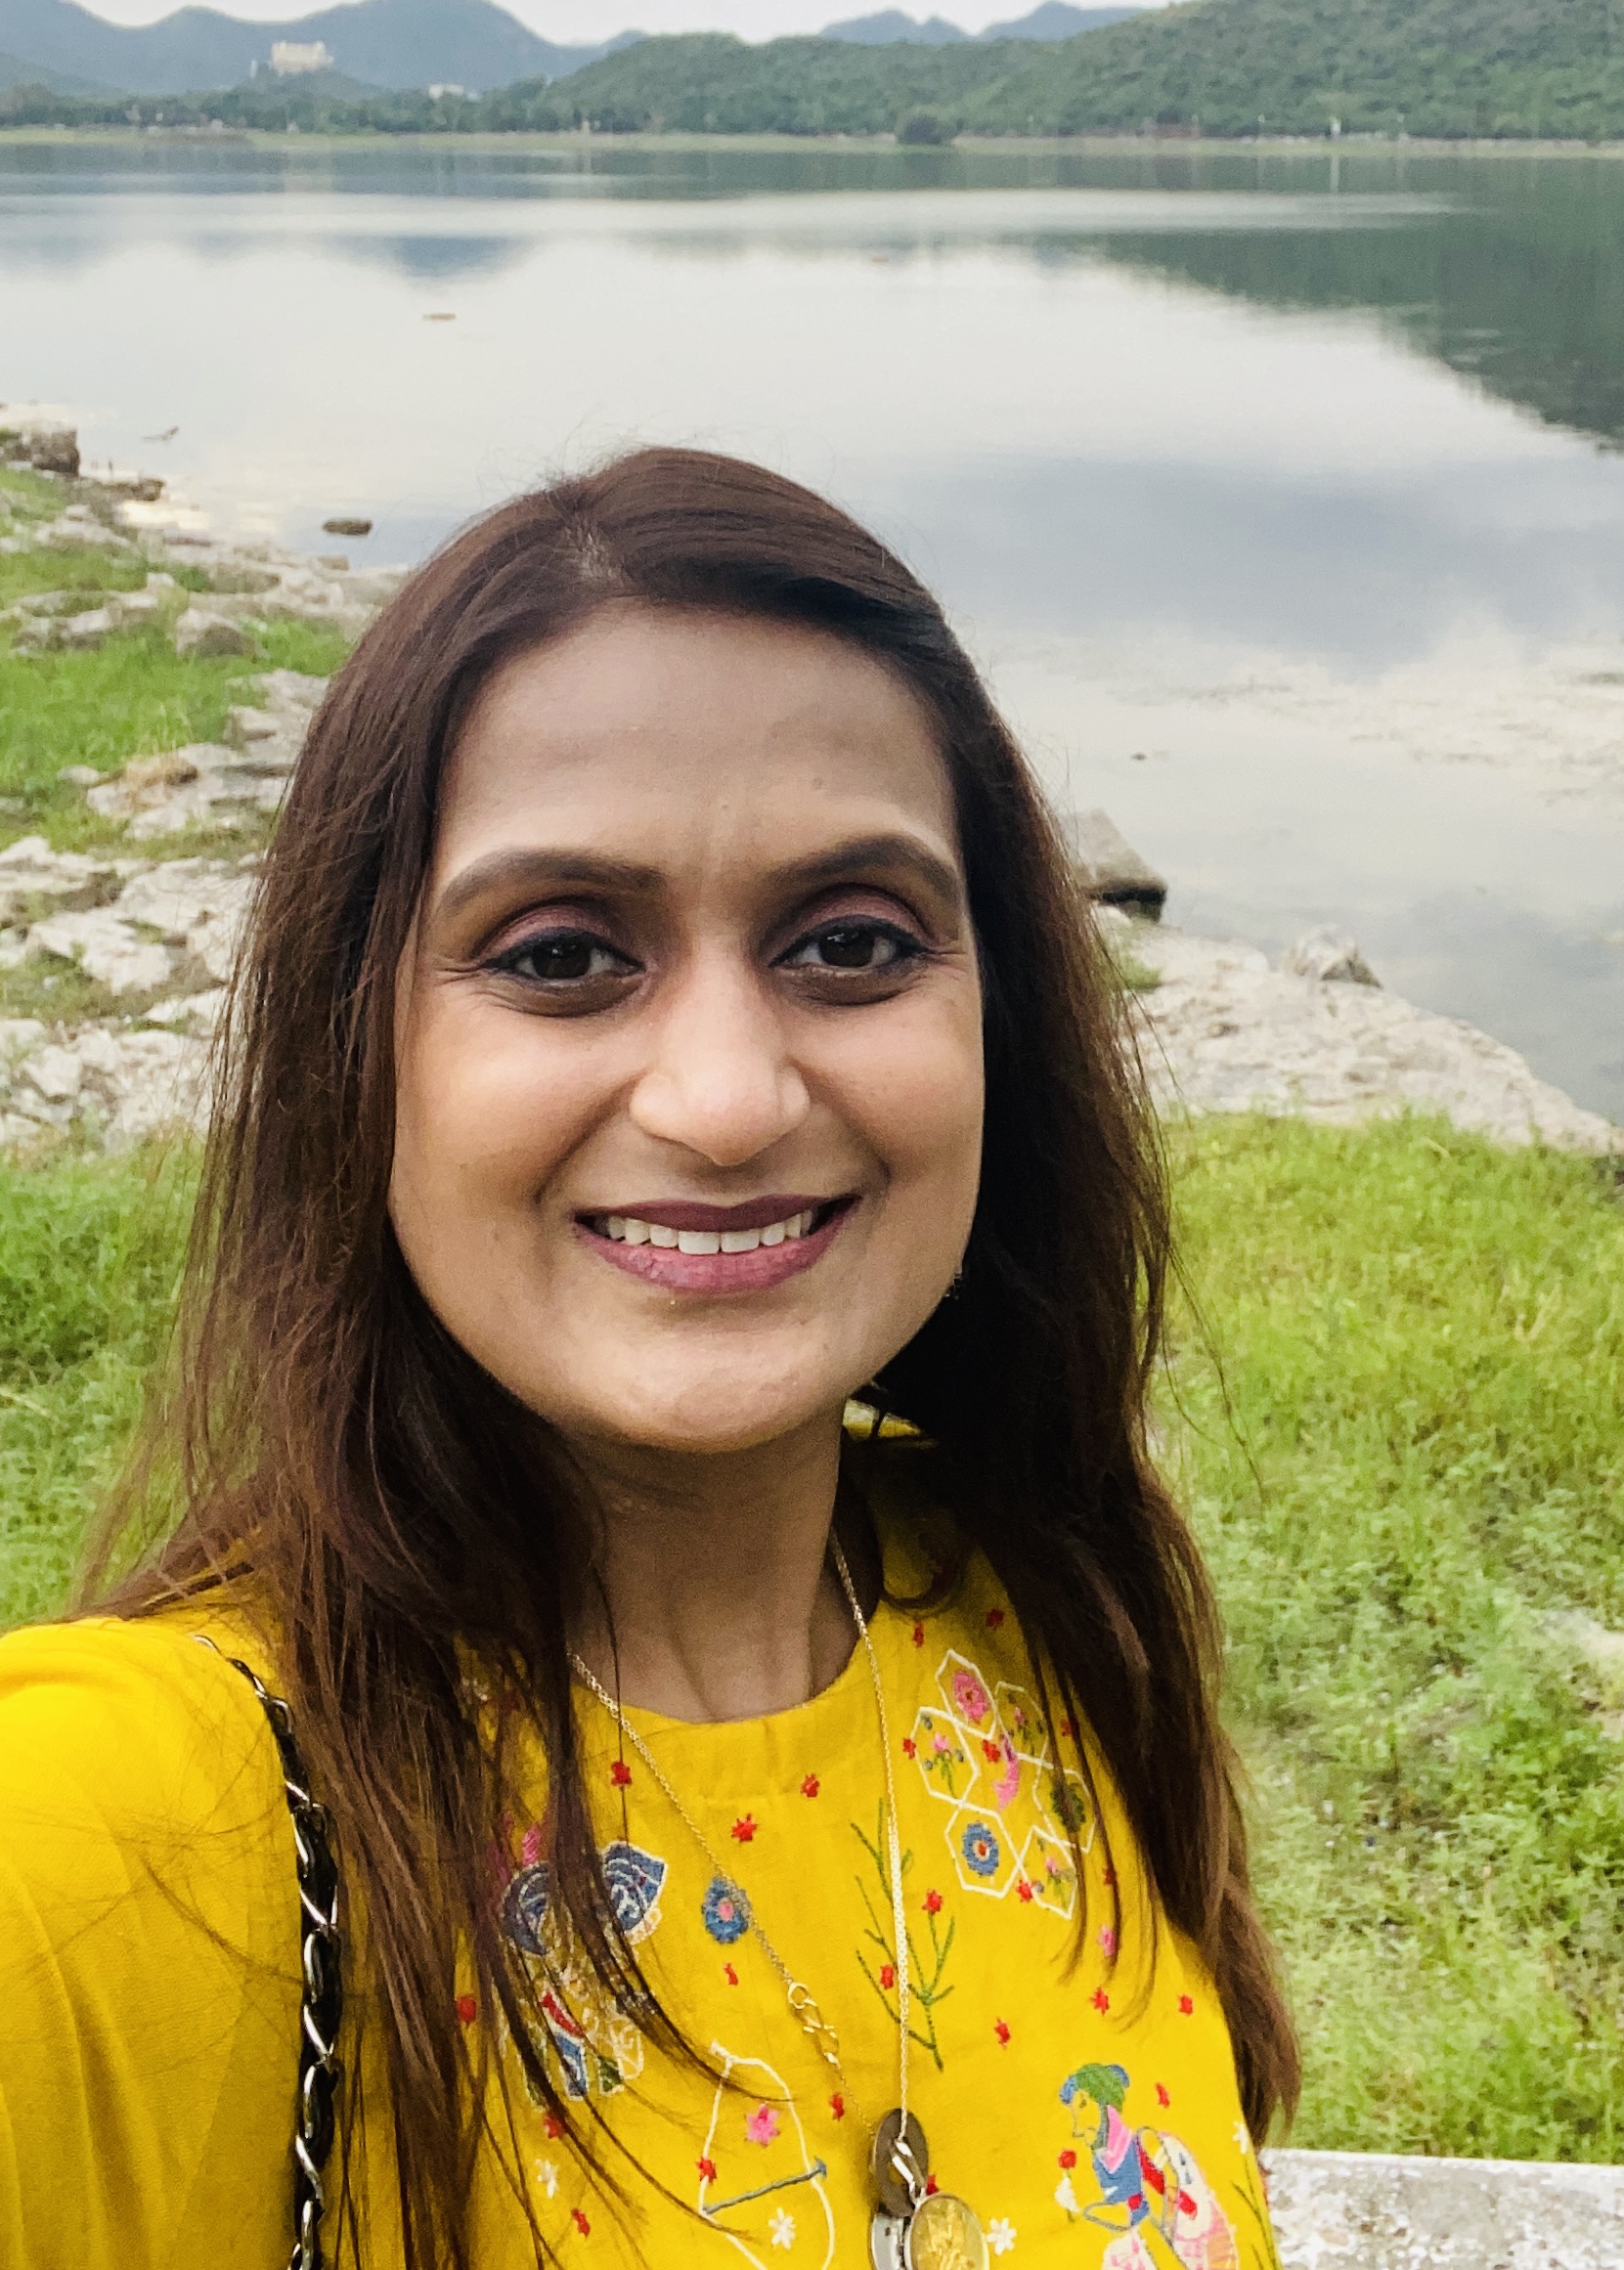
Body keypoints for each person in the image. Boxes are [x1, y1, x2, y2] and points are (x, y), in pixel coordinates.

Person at [0, 449, 1296, 2270]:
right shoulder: (122, 1841)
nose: (723, 1099)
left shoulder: (1054, 1619)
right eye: (561, 956)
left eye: (851, 943)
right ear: (358, 1045)